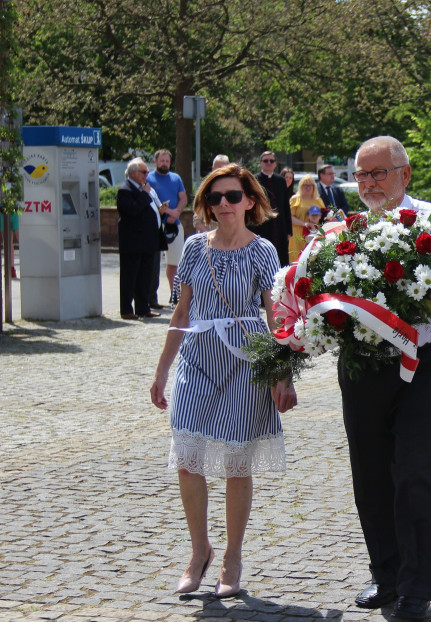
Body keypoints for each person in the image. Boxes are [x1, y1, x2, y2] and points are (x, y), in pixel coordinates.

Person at [342, 135, 431, 622]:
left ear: (405, 173)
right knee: (370, 470)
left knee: (415, 470)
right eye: (361, 174)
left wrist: (411, 307)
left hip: (421, 360)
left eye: (378, 173)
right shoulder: (348, 228)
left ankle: (417, 587)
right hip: (361, 363)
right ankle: (385, 573)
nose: (368, 184)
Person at [150, 163, 298, 598]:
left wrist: (281, 376)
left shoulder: (263, 251)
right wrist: (162, 371)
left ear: (249, 201)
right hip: (198, 358)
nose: (223, 205)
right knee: (187, 457)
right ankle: (200, 552)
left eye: (232, 197)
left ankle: (232, 556)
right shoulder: (195, 248)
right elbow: (180, 314)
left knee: (236, 462)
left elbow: (277, 318)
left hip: (245, 362)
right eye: (215, 199)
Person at [117, 158, 166, 320]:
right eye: (143, 172)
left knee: (145, 277)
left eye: (147, 172)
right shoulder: (125, 190)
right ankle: (126, 309)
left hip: (147, 242)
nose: (147, 175)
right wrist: (144, 195)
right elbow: (132, 210)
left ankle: (143, 307)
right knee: (130, 278)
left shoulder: (146, 189)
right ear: (133, 173)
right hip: (133, 243)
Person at [148, 149, 189, 306]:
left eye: (167, 161)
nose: (164, 163)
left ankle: (175, 295)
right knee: (153, 264)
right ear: (156, 161)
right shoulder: (150, 178)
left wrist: (177, 212)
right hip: (156, 225)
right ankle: (151, 297)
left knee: (175, 262)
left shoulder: (176, 178)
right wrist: (169, 211)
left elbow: (183, 198)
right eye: (162, 161)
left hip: (175, 225)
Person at [255, 151, 291, 266]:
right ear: (260, 163)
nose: (269, 163)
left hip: (280, 227)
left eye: (272, 161)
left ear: (276, 164)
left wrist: (289, 230)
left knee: (281, 259)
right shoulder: (254, 180)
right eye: (265, 161)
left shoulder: (280, 180)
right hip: (260, 225)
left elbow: (286, 206)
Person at [288, 173, 325, 263]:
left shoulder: (318, 200)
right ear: (300, 186)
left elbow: (324, 216)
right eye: (305, 185)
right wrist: (304, 224)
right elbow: (289, 217)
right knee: (297, 261)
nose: (308, 188)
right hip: (298, 234)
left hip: (314, 234)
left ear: (314, 187)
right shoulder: (295, 199)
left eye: (310, 185)